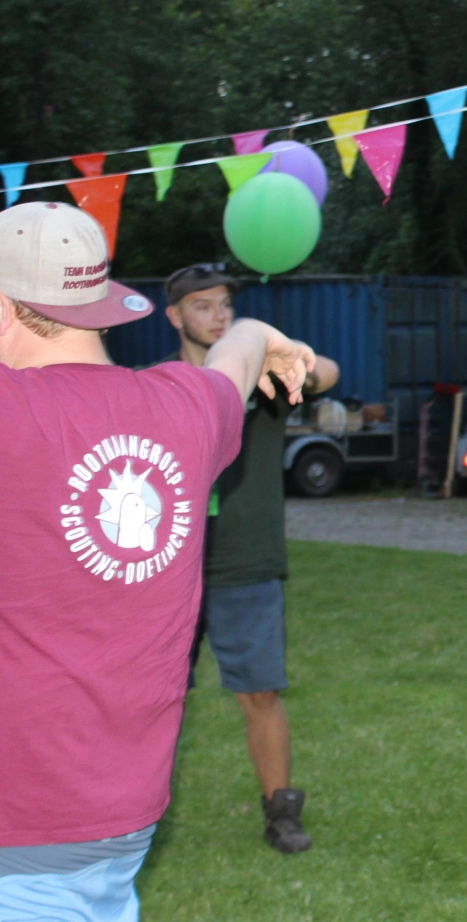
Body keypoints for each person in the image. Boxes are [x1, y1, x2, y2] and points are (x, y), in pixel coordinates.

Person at [0, 202, 313, 920]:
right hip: (121, 820)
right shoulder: (186, 410)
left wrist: (255, 336)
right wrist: (259, 331)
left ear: (0, 311)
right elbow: (238, 353)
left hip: (6, 829)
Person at [163, 264, 340, 854]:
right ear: (175, 316)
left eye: (224, 306)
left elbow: (328, 375)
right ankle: (132, 810)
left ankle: (281, 813)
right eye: (202, 305)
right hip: (165, 569)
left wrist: (298, 358)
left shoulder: (264, 380)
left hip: (246, 562)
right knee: (152, 695)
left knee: (259, 694)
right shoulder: (159, 386)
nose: (217, 316)